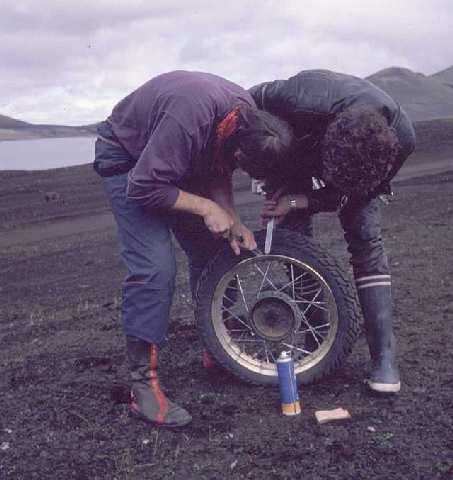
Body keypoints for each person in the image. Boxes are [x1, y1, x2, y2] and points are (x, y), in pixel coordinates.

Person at [93, 70, 294, 427]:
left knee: (218, 249)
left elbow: (218, 168)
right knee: (155, 268)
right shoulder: (189, 118)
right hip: (129, 161)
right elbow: (144, 186)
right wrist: (205, 207)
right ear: (235, 140)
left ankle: (216, 349)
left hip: (174, 156)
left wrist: (231, 218)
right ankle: (143, 388)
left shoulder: (244, 116)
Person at [248, 69, 416, 394]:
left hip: (354, 173)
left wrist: (301, 200)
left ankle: (384, 357)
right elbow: (243, 103)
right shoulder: (299, 96)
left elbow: (356, 193)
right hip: (294, 150)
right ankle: (318, 343)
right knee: (294, 240)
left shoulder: (401, 140)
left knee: (366, 236)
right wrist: (266, 168)